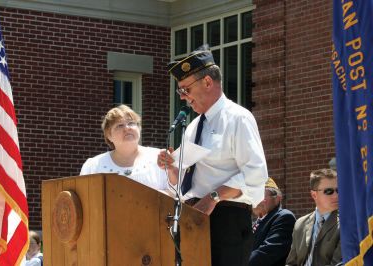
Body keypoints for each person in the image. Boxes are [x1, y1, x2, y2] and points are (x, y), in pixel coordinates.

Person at [157, 45, 268, 266]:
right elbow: (187, 183)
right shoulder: (193, 127)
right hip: (194, 217)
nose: (183, 98)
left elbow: (256, 174)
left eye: (185, 89)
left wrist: (213, 197)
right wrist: (171, 168)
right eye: (180, 91)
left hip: (227, 219)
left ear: (208, 82)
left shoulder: (238, 118)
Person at [80, 104, 168, 191]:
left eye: (131, 123)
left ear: (139, 128)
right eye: (120, 125)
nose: (127, 128)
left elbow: (176, 196)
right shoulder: (93, 166)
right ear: (109, 135)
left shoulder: (160, 158)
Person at [286, 168, 342, 266]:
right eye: (329, 191)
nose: (336, 195)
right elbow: (291, 263)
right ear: (314, 195)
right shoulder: (300, 223)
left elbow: (339, 264)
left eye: (338, 190)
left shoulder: (346, 224)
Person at [249, 177, 296, 266]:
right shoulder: (255, 223)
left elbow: (266, 252)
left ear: (277, 198)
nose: (255, 201)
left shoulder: (284, 217)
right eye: (254, 196)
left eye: (261, 196)